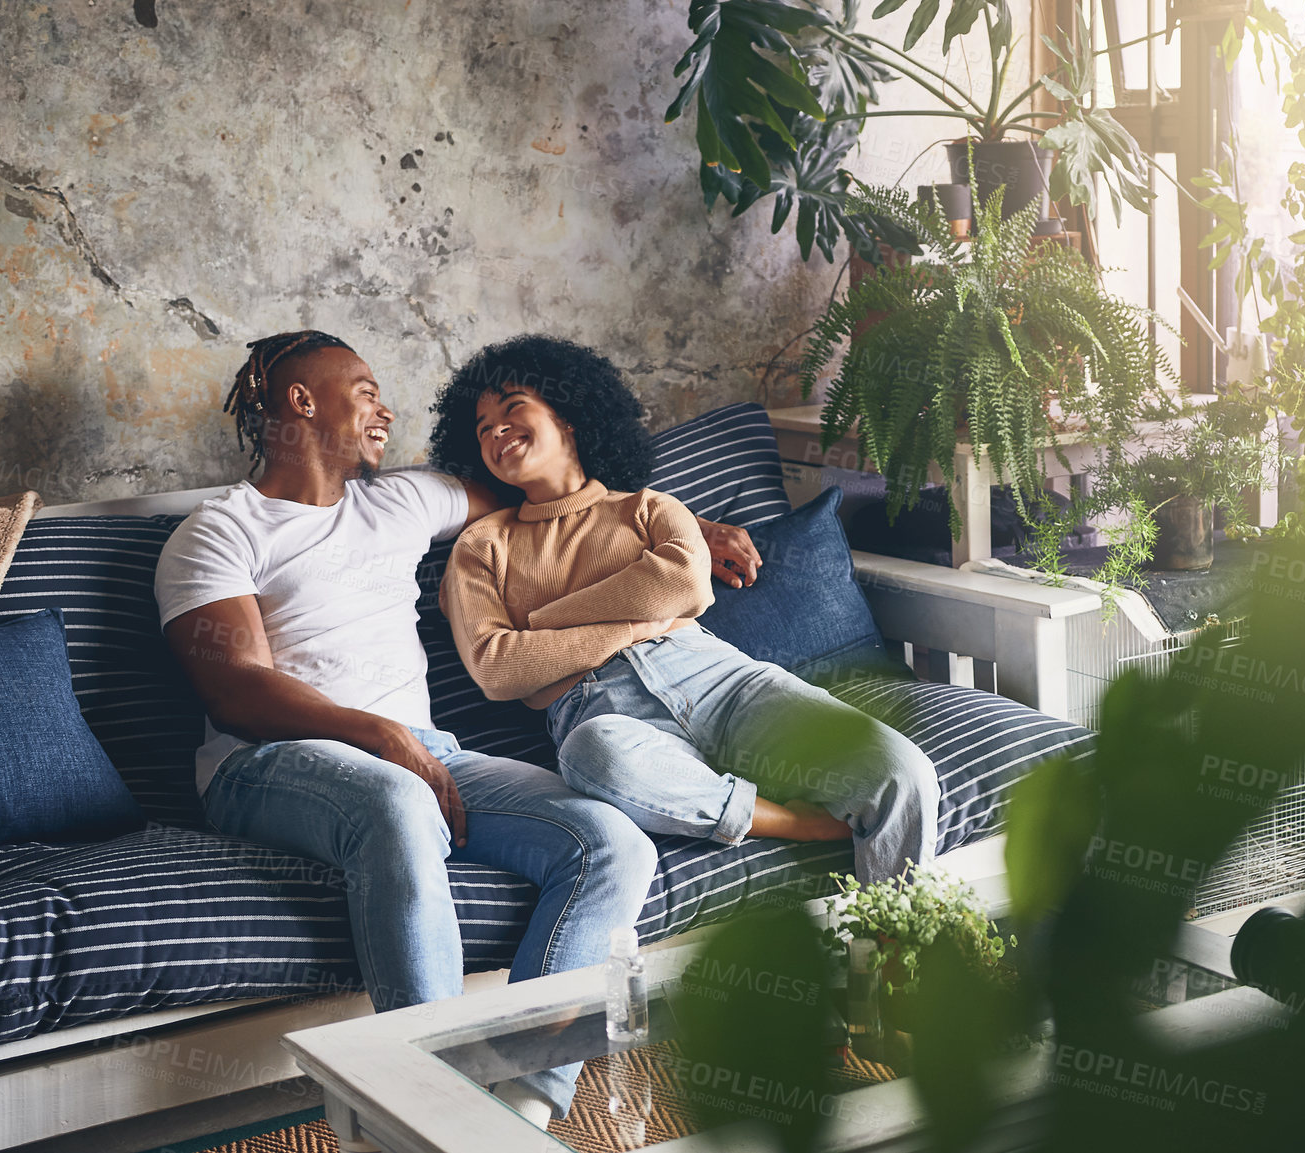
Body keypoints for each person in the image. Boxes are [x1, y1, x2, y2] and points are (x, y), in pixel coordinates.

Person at [153, 330, 761, 1125]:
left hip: (426, 754)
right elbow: (236, 689)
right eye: (366, 390)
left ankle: (520, 1110)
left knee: (613, 844)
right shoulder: (220, 530)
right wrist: (381, 736)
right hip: (270, 763)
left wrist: (683, 527)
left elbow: (561, 502)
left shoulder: (405, 499)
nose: (386, 408)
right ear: (302, 401)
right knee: (397, 803)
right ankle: (434, 1116)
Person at [429, 334, 941, 882]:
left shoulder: (650, 507)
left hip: (721, 682)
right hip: (602, 714)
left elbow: (685, 586)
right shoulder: (481, 546)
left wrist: (543, 622)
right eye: (483, 429)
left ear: (569, 417)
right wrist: (636, 620)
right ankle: (795, 821)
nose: (497, 431)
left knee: (901, 772)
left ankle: (888, 952)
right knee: (592, 756)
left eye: (512, 410)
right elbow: (498, 667)